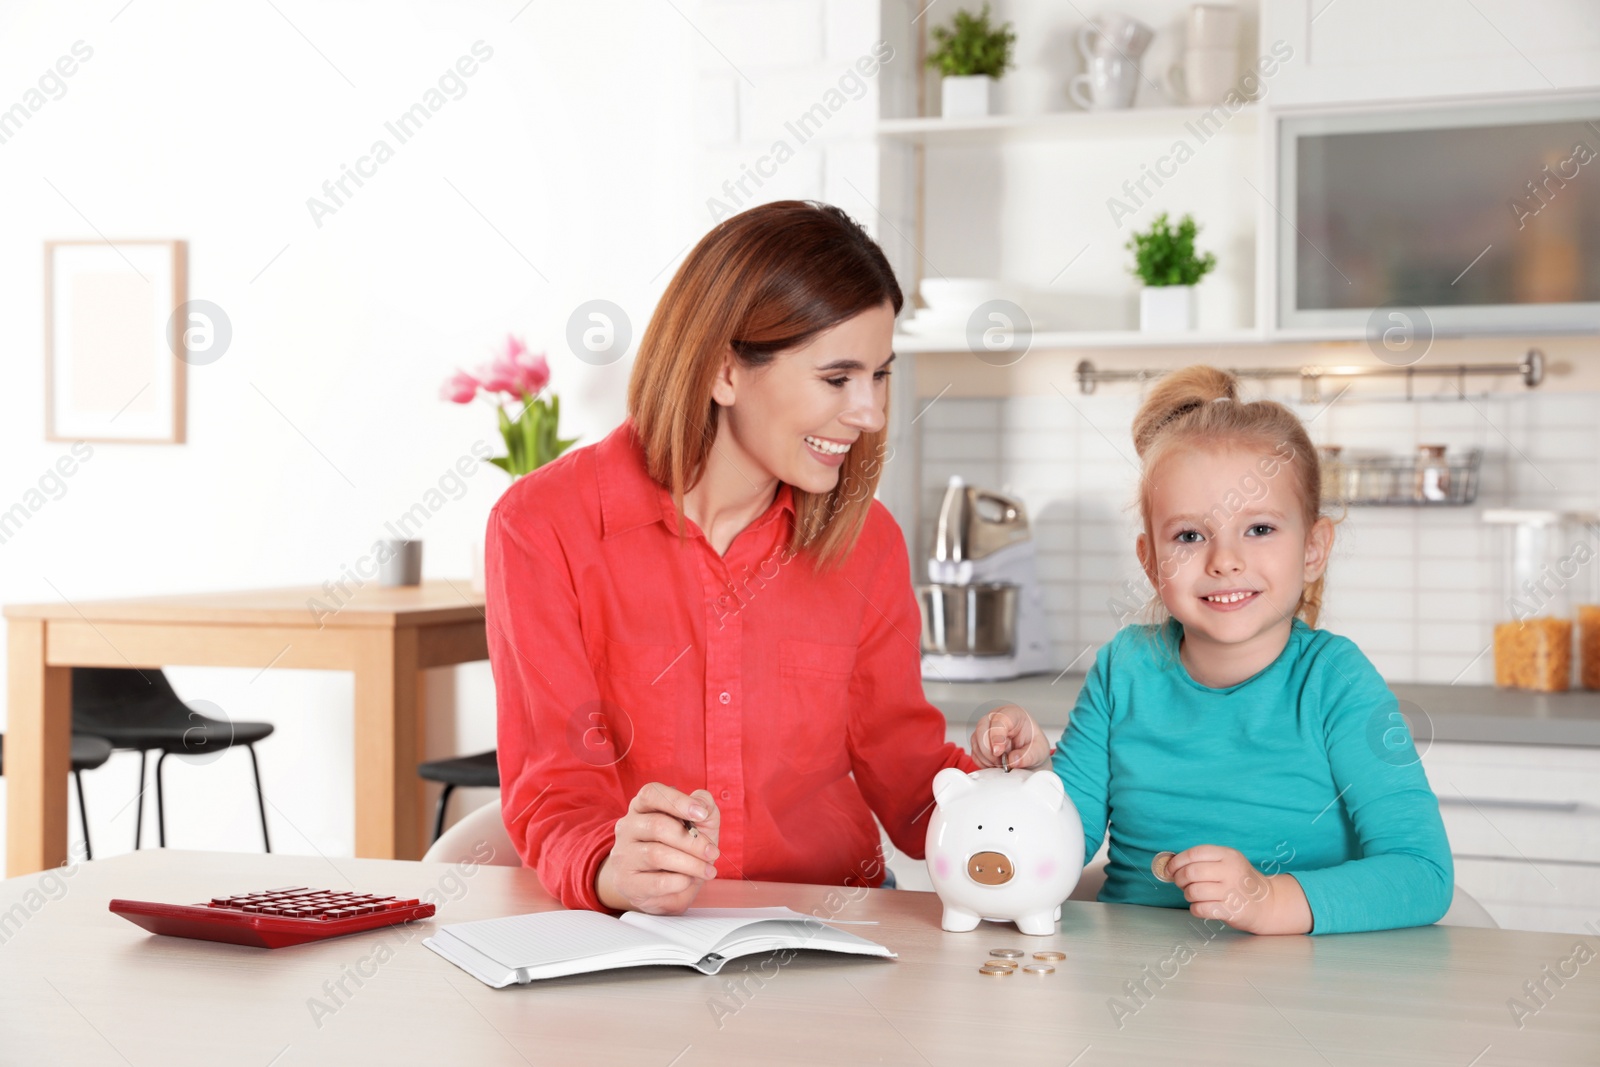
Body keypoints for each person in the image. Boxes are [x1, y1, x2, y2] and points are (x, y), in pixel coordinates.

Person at [485, 200, 975, 915]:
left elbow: (907, 775)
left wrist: (1000, 793)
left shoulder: (868, 540)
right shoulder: (543, 529)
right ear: (723, 371)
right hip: (633, 939)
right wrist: (610, 867)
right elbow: (554, 788)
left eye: (879, 375)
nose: (869, 412)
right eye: (837, 379)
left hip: (831, 932)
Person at [982, 365, 1453, 935]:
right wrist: (1033, 777)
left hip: (1304, 988)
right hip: (1126, 978)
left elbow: (1422, 874)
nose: (1223, 560)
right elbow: (1062, 840)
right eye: (1189, 536)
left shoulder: (1336, 681)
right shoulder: (1124, 669)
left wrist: (1268, 899)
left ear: (1314, 548)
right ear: (1151, 562)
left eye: (1259, 529)